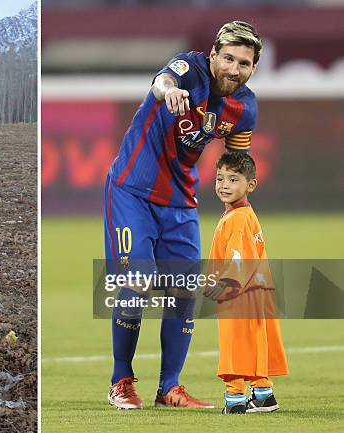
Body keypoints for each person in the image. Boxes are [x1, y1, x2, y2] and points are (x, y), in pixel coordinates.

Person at [104, 21, 262, 409]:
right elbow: (161, 81)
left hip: (181, 202)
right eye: (228, 58)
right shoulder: (188, 70)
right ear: (213, 54)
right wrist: (170, 92)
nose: (233, 68)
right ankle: (120, 381)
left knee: (183, 292)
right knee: (138, 280)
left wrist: (239, 211)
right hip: (132, 190)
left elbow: (236, 163)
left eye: (244, 62)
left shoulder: (246, 108)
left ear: (253, 68)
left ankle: (169, 389)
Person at [204, 152, 288, 414]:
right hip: (256, 293)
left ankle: (236, 399)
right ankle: (263, 395)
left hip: (239, 296)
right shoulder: (244, 214)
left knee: (235, 346)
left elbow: (239, 258)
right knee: (254, 343)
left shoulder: (237, 219)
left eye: (233, 179)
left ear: (250, 185)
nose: (224, 185)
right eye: (220, 178)